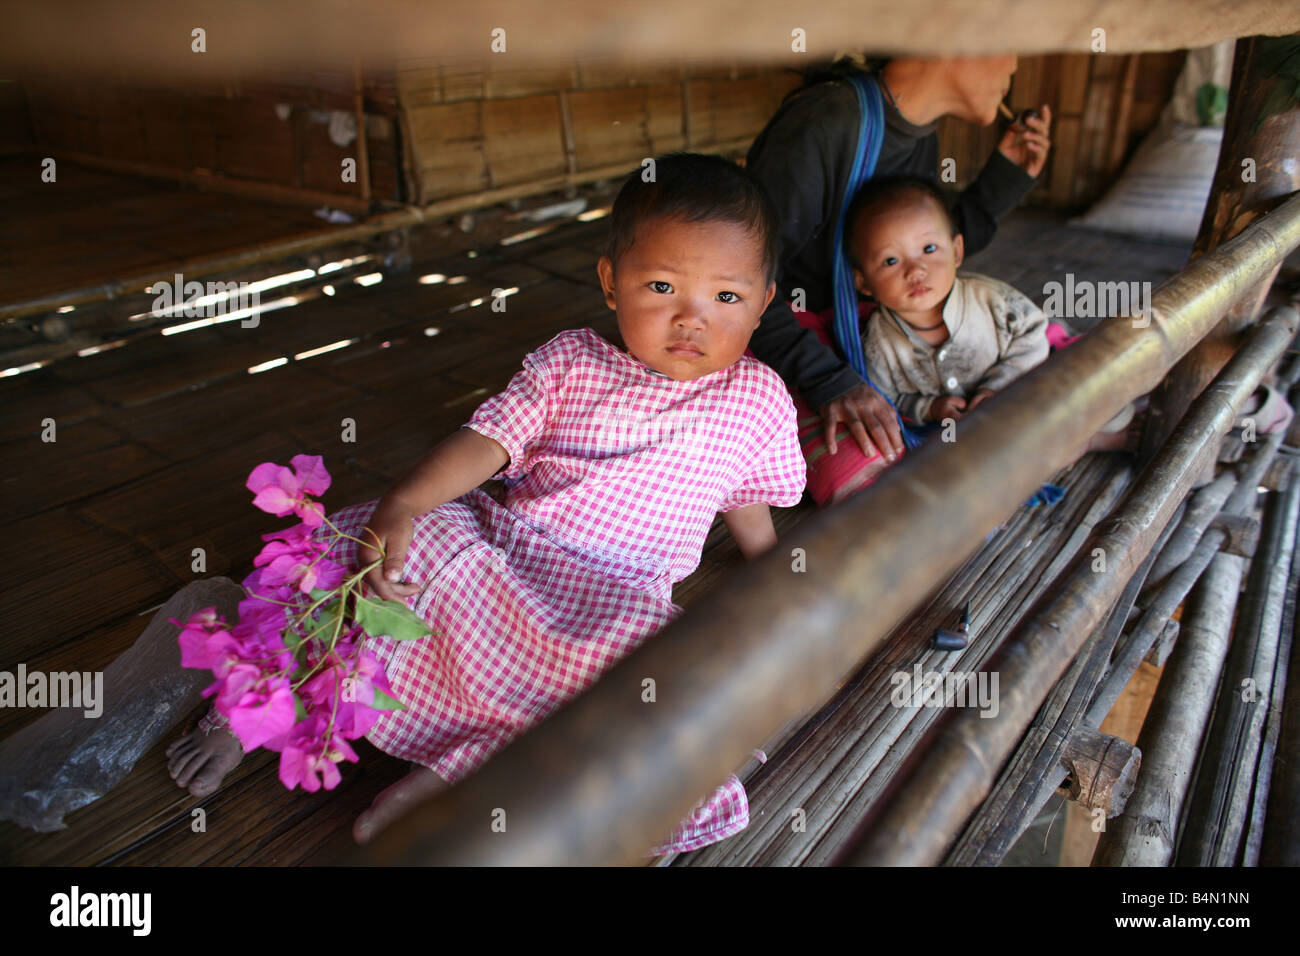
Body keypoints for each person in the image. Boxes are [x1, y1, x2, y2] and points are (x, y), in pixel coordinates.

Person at [166, 152, 807, 856]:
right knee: (396, 544)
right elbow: (487, 441)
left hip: (612, 610)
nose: (692, 318)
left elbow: (751, 511)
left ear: (765, 301)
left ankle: (455, 781)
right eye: (661, 286)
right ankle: (250, 705)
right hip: (502, 563)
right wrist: (406, 503)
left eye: (726, 297)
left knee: (679, 675)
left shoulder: (757, 400)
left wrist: (783, 594)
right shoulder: (571, 363)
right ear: (610, 283)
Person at [744, 54, 1052, 479]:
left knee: (1049, 358)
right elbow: (742, 285)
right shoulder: (824, 123)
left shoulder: (918, 132)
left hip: (872, 316)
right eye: (1009, 42)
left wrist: (1004, 180)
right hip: (792, 334)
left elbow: (923, 248)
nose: (1015, 63)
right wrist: (831, 382)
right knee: (871, 471)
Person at [847, 174, 1131, 455]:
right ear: (864, 283)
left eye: (929, 249)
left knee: (1106, 398)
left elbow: (1033, 333)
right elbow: (887, 397)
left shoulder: (990, 300)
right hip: (969, 430)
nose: (915, 270)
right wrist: (930, 408)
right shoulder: (877, 345)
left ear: (956, 251)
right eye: (891, 260)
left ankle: (1094, 439)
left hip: (1023, 389)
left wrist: (1000, 387)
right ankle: (1080, 443)